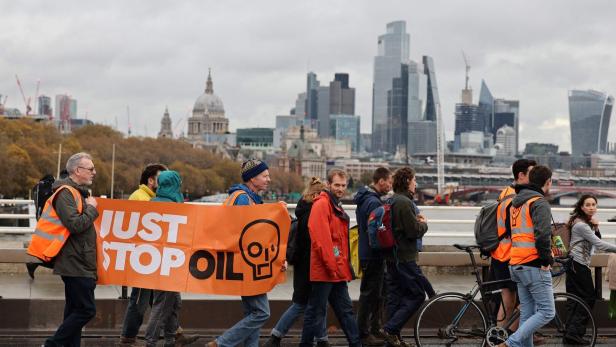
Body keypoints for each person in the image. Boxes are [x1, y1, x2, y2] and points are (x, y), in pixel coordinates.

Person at [206, 159, 285, 347]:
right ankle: (221, 343)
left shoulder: (249, 198)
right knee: (261, 313)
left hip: (248, 263)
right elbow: (247, 231)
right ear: (252, 178)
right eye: (264, 176)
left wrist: (274, 209)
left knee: (253, 313)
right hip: (247, 264)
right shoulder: (243, 199)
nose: (269, 179)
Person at [262, 177, 330, 347]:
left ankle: (321, 339)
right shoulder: (314, 213)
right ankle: (276, 337)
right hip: (311, 265)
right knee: (308, 304)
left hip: (301, 264)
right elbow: (315, 242)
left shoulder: (302, 210)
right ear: (317, 196)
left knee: (310, 304)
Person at [300, 169, 361, 347]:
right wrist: (333, 266)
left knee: (345, 310)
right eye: (337, 185)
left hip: (335, 268)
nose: (340, 189)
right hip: (326, 270)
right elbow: (321, 240)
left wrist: (338, 266)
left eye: (343, 185)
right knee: (316, 311)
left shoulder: (334, 204)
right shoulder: (322, 204)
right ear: (328, 185)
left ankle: (356, 344)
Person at [43, 153, 99, 347]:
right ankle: (52, 345)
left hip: (79, 259)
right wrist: (92, 209)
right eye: (90, 169)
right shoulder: (66, 193)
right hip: (74, 261)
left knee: (74, 309)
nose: (94, 172)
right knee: (86, 310)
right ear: (77, 171)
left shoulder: (78, 193)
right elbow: (75, 225)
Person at [499, 165, 555, 347]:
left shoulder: (517, 202)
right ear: (548, 182)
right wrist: (546, 260)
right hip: (533, 263)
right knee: (547, 311)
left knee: (528, 314)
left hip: (515, 263)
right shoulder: (539, 202)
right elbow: (542, 235)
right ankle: (510, 343)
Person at [143, 170, 199, 347]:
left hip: (156, 262)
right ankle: (151, 342)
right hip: (169, 263)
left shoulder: (152, 203)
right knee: (162, 305)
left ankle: (170, 339)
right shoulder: (176, 206)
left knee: (174, 302)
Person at [382, 167, 430, 347]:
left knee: (396, 297)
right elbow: (413, 231)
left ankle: (391, 339)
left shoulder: (392, 200)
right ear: (407, 181)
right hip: (404, 257)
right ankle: (390, 329)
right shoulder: (403, 203)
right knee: (418, 294)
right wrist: (423, 224)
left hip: (391, 257)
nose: (416, 183)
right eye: (414, 180)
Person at [490, 159, 536, 332]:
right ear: (521, 175)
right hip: (508, 255)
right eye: (532, 173)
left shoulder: (506, 193)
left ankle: (510, 334)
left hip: (501, 252)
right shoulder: (515, 198)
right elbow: (516, 228)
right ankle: (499, 336)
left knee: (512, 298)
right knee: (509, 300)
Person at [565, 194, 616, 344]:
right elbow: (599, 244)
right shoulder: (581, 225)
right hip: (578, 265)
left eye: (594, 204)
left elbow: (594, 241)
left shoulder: (582, 222)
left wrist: (596, 226)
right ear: (581, 207)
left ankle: (570, 333)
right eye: (588, 205)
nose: (591, 207)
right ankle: (574, 333)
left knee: (574, 300)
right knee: (588, 298)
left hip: (574, 264)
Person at [354, 167, 392, 346]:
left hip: (366, 252)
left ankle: (375, 328)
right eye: (389, 182)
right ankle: (363, 334)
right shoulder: (374, 203)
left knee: (377, 293)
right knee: (370, 294)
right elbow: (375, 232)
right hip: (373, 254)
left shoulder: (365, 199)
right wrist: (383, 247)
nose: (390, 186)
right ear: (381, 181)